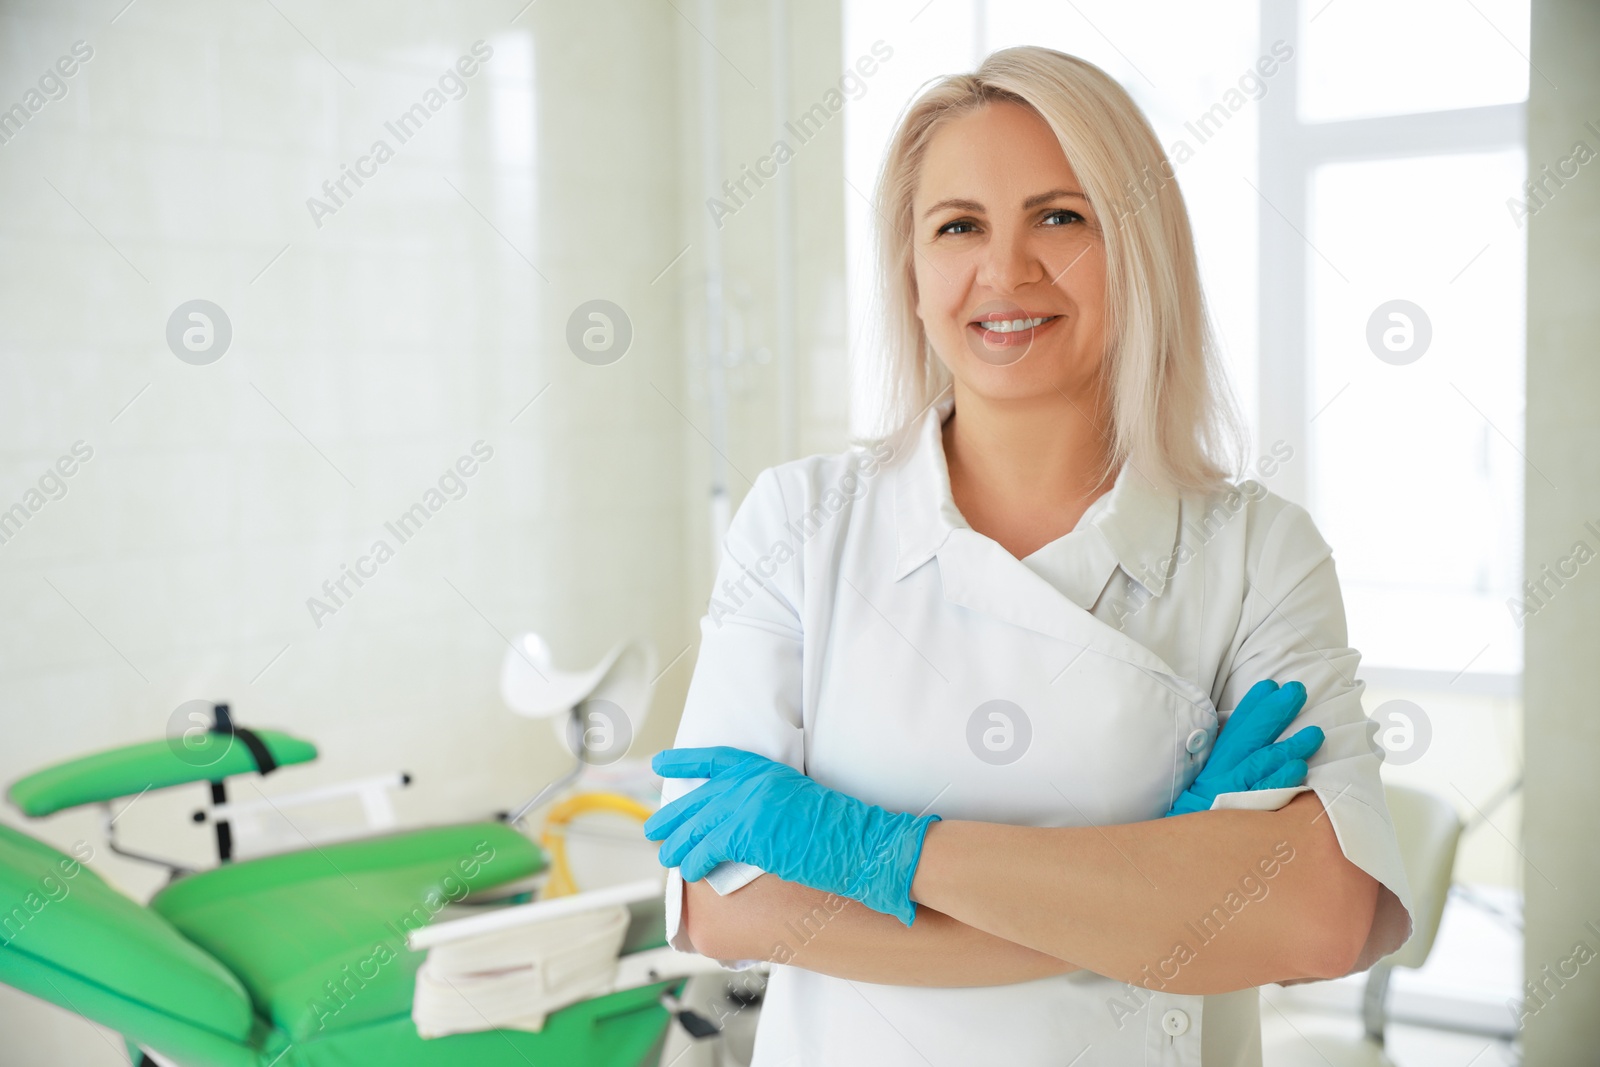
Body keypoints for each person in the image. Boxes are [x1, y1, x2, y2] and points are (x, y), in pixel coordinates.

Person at [644, 45, 1413, 1067]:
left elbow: (1319, 918)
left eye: (1060, 216)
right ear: (912, 277)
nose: (1004, 272)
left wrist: (879, 853)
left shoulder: (1255, 551)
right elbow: (722, 906)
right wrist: (1164, 893)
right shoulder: (801, 523)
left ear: (1137, 250)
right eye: (957, 226)